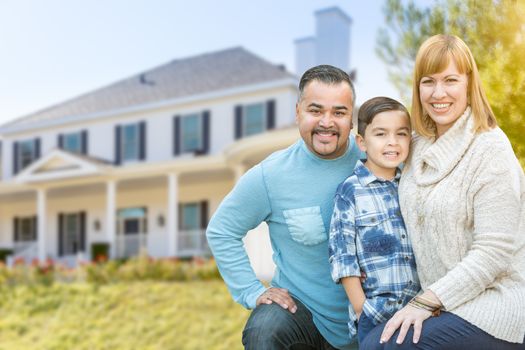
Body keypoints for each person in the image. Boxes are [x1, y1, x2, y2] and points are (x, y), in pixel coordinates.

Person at [361, 34, 525, 349]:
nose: (438, 93)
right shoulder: (417, 144)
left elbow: (493, 252)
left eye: (450, 80)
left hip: (495, 304)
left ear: (468, 83)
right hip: (441, 303)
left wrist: (425, 303)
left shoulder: (490, 149)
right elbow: (374, 159)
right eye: (428, 81)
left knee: (386, 347)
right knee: (369, 340)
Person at [206, 64, 362, 350]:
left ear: (351, 118)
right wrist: (251, 291)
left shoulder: (376, 160)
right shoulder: (271, 175)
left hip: (373, 319)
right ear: (298, 112)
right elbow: (221, 230)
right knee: (265, 329)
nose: (326, 122)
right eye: (315, 110)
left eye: (339, 112)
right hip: (305, 317)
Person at [328, 96, 421, 346]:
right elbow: (343, 259)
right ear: (361, 142)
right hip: (377, 315)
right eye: (381, 134)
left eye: (401, 134)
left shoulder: (413, 185)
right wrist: (363, 310)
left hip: (420, 311)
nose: (392, 142)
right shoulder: (351, 191)